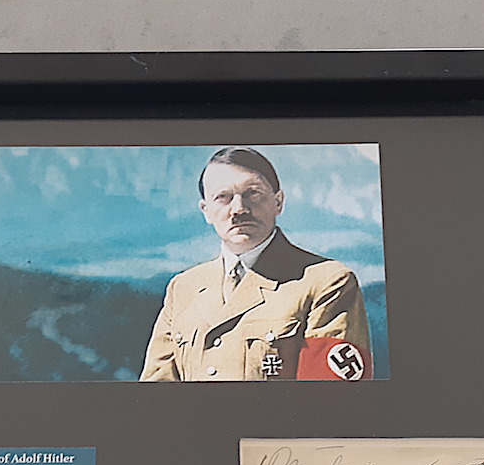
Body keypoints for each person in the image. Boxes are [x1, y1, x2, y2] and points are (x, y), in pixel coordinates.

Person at [139, 146, 371, 382]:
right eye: (223, 197)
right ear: (206, 211)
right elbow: (156, 391)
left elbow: (330, 395)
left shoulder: (326, 282)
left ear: (278, 202)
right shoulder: (183, 288)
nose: (239, 209)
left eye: (253, 193)